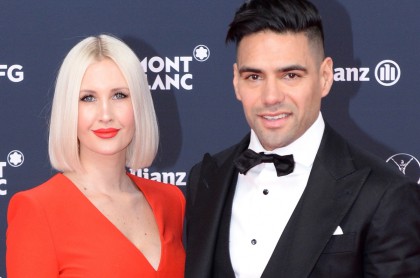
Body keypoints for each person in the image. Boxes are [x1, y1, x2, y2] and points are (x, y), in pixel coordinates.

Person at [184, 0, 420, 277]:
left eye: (290, 75)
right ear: (236, 81)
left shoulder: (385, 195)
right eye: (254, 77)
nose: (271, 97)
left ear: (325, 77)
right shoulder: (205, 179)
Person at [6, 34, 185, 277]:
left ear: (139, 104)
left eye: (119, 95)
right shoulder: (37, 209)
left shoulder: (171, 201)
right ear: (69, 109)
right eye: (88, 98)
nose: (105, 114)